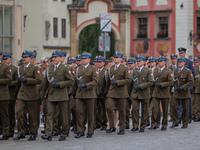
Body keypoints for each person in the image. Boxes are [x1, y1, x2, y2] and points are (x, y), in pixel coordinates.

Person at [41, 51, 74, 141]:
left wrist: (60, 84)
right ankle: (48, 133)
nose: (54, 59)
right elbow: (45, 84)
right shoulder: (49, 69)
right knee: (49, 114)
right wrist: (42, 95)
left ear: (60, 58)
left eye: (56, 57)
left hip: (62, 95)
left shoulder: (65, 68)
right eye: (53, 57)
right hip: (51, 95)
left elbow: (71, 81)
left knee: (63, 116)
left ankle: (63, 133)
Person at [14, 51, 43, 141]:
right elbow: (19, 82)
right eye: (23, 57)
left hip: (32, 94)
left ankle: (33, 133)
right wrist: (16, 94)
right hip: (21, 94)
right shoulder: (20, 68)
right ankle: (21, 132)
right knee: (19, 113)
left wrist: (27, 80)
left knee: (33, 115)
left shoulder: (35, 68)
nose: (24, 58)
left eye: (26, 57)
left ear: (30, 58)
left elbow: (39, 80)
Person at [71, 52, 98, 138]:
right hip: (79, 94)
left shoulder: (93, 69)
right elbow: (75, 82)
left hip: (89, 94)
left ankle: (90, 131)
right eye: (82, 59)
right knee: (79, 112)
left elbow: (95, 81)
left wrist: (86, 85)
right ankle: (80, 130)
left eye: (84, 59)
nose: (82, 60)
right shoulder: (78, 69)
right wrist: (71, 92)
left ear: (89, 59)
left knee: (90, 114)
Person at [105, 52, 131, 135]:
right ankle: (112, 126)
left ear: (121, 58)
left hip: (121, 92)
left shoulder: (125, 68)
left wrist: (118, 82)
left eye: (117, 57)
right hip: (112, 92)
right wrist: (106, 92)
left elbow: (128, 79)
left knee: (122, 111)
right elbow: (108, 81)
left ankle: (122, 128)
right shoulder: (111, 68)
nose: (115, 59)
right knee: (109, 107)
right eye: (114, 57)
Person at [149, 56, 173, 131]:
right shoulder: (155, 70)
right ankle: (154, 124)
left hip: (164, 93)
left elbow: (171, 82)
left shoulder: (168, 71)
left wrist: (162, 84)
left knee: (165, 110)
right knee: (154, 109)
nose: (160, 62)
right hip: (156, 92)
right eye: (159, 61)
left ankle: (164, 124)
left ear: (165, 62)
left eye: (161, 61)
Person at [131, 56, 153, 132]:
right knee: (134, 109)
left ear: (144, 62)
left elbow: (150, 82)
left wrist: (141, 86)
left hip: (144, 93)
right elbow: (132, 83)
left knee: (145, 110)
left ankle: (143, 126)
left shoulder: (148, 71)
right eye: (137, 61)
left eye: (140, 61)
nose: (138, 62)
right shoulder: (134, 71)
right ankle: (135, 125)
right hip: (135, 93)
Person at [170, 58, 194, 128]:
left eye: (181, 62)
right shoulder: (175, 71)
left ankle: (185, 123)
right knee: (174, 107)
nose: (179, 63)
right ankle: (175, 122)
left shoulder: (187, 71)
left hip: (184, 92)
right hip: (176, 92)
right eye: (178, 62)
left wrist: (183, 87)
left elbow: (191, 82)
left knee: (185, 109)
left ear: (184, 63)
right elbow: (173, 80)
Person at [3, 53, 18, 138]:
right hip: (2, 93)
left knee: (11, 113)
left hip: (11, 93)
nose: (5, 60)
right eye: (4, 59)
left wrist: (8, 84)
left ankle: (11, 130)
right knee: (4, 113)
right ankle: (4, 128)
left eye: (7, 59)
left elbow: (16, 81)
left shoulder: (14, 69)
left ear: (10, 60)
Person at [178, 47, 195, 123]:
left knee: (187, 102)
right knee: (180, 102)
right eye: (180, 53)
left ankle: (189, 117)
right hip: (180, 85)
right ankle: (181, 117)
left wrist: (190, 85)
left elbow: (193, 74)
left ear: (185, 53)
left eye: (182, 53)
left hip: (187, 85)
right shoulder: (178, 62)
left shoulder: (189, 62)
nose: (181, 54)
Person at [0, 53, 12, 140]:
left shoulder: (5, 67)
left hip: (3, 95)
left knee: (4, 115)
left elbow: (9, 79)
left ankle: (5, 133)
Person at [96, 56, 107, 130]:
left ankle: (104, 123)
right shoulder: (94, 70)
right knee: (94, 109)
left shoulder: (106, 71)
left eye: (100, 62)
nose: (98, 64)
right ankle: (96, 123)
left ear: (103, 63)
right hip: (94, 92)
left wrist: (105, 92)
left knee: (104, 109)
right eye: (97, 62)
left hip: (103, 93)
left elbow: (107, 83)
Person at [126, 58, 136, 129]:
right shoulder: (126, 71)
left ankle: (135, 125)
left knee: (134, 110)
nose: (130, 65)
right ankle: (126, 124)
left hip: (135, 93)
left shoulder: (137, 71)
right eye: (129, 64)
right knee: (126, 109)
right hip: (126, 93)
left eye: (131, 63)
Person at [168, 54, 178, 122]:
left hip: (177, 87)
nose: (173, 60)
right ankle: (172, 116)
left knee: (177, 104)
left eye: (174, 59)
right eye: (172, 59)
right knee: (171, 103)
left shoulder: (179, 67)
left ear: (176, 59)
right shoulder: (169, 68)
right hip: (171, 87)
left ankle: (178, 116)